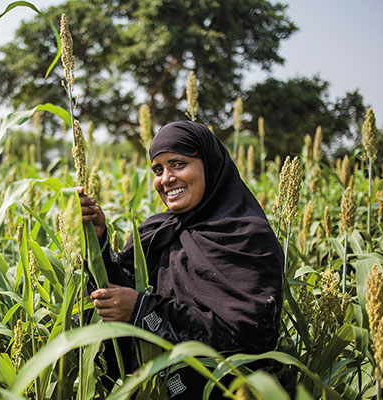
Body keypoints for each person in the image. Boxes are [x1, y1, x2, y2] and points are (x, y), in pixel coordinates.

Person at [79, 120, 284, 399]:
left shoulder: (246, 236)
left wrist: (142, 310)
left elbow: (247, 335)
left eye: (178, 164)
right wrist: (99, 240)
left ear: (209, 164)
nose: (166, 178)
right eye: (158, 169)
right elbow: (122, 290)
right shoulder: (158, 232)